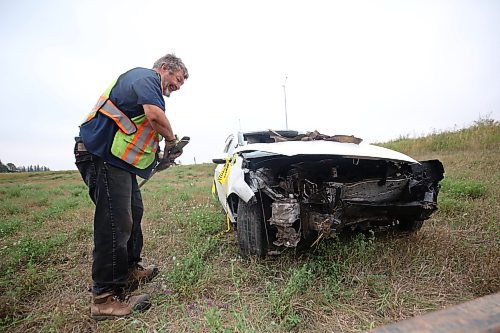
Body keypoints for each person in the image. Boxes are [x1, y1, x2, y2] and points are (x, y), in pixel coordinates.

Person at [74, 54, 188, 320]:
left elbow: (140, 135)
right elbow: (154, 115)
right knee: (115, 223)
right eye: (178, 79)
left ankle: (128, 270)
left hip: (117, 162)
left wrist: (161, 157)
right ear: (164, 69)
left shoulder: (144, 89)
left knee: (133, 212)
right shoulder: (147, 78)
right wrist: (171, 141)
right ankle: (104, 298)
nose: (178, 86)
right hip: (100, 154)